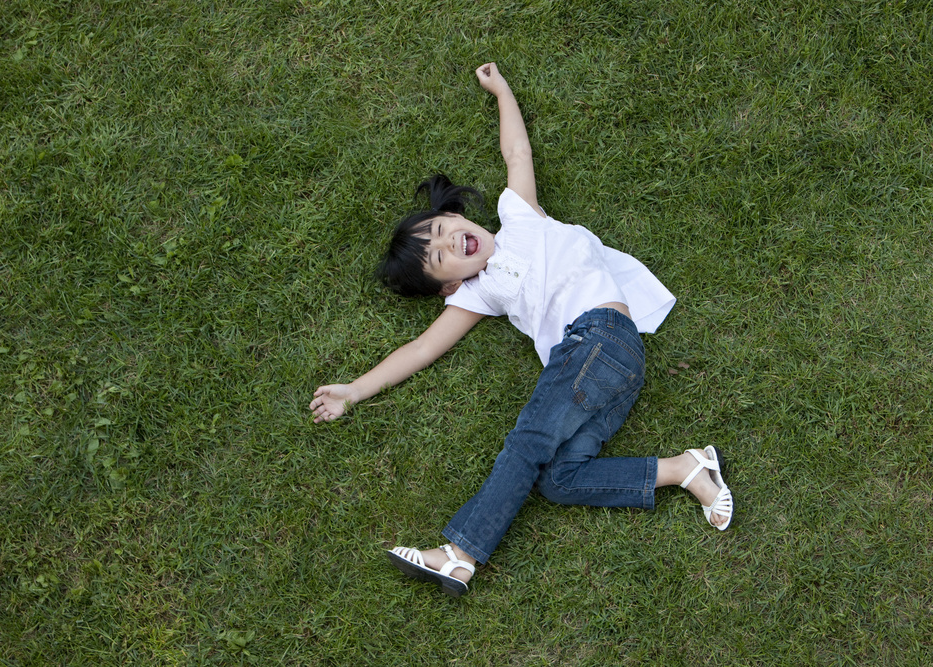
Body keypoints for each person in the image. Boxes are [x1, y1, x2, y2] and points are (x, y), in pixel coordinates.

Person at [309, 63, 734, 597]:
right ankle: (686, 469)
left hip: (598, 337)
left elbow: (517, 154)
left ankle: (460, 553)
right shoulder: (479, 295)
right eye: (441, 256)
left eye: (444, 229)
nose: (452, 241)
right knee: (556, 479)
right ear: (448, 287)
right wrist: (353, 390)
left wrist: (502, 92)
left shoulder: (520, 217)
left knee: (527, 444)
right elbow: (419, 349)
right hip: (609, 372)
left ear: (458, 215)